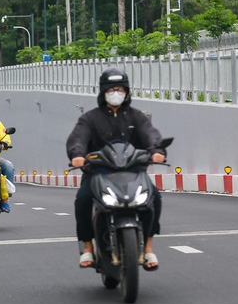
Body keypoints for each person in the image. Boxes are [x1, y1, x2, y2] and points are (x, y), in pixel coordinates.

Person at [66, 68, 167, 270]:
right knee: (83, 200)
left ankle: (148, 248)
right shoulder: (90, 118)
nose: (116, 93)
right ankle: (87, 247)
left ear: (126, 91)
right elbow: (78, 138)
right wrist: (77, 155)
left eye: (120, 89)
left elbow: (150, 134)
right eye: (111, 89)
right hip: (98, 172)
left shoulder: (136, 116)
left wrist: (156, 149)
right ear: (103, 92)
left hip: (133, 172)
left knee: (154, 197)